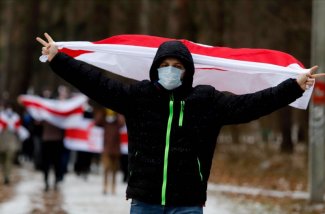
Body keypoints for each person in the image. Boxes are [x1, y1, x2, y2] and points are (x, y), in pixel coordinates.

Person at [37, 33, 319, 213]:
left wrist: (293, 87)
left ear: (187, 71)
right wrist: (58, 59)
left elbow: (253, 104)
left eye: (178, 66)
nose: (171, 70)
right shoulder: (139, 97)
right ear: (156, 68)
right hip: (144, 200)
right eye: (165, 65)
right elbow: (97, 84)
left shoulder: (207, 101)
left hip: (187, 203)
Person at [0, 101, 21, 185]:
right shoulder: (1, 116)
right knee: (3, 159)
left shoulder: (15, 117)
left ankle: (7, 176)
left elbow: (18, 128)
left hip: (11, 141)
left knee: (9, 158)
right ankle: (5, 174)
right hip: (2, 141)